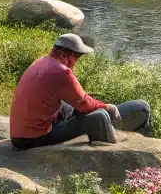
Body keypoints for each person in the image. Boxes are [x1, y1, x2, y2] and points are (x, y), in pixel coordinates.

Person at [9, 33, 152, 148]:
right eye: (77, 57)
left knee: (71, 107)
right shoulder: (62, 72)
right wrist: (106, 106)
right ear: (68, 55)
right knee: (99, 115)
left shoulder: (40, 62)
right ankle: (136, 145)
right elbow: (84, 103)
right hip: (35, 138)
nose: (77, 61)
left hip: (19, 136)